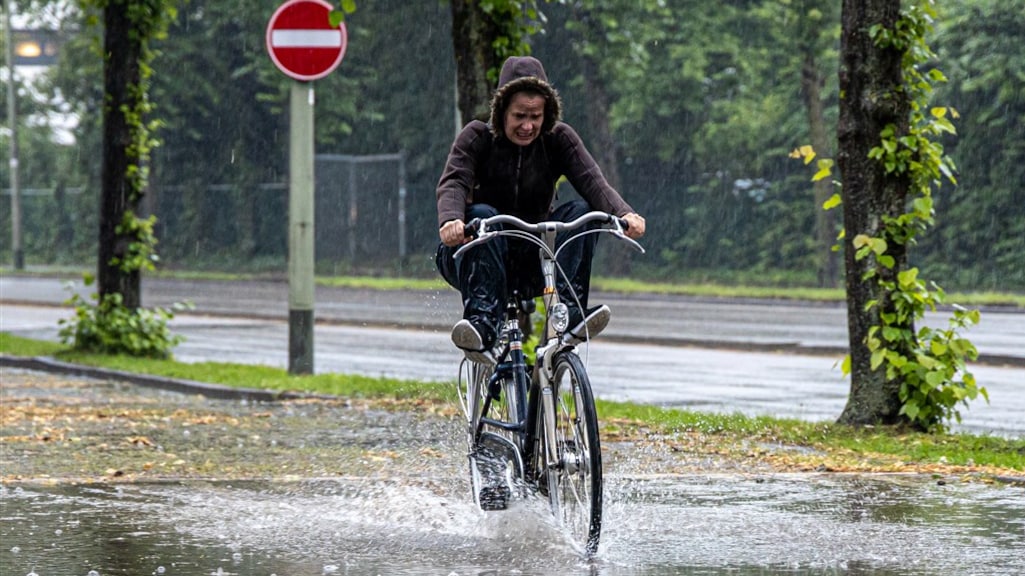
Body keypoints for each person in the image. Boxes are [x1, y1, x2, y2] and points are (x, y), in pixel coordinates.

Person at [435, 55, 645, 358]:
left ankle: (570, 314)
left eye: (535, 116)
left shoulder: (558, 139)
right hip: (476, 256)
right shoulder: (477, 137)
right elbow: (454, 181)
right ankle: (482, 325)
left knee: (582, 212)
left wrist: (624, 214)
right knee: (483, 215)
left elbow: (593, 181)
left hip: (533, 260)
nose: (528, 125)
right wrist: (451, 220)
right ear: (502, 111)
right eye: (519, 116)